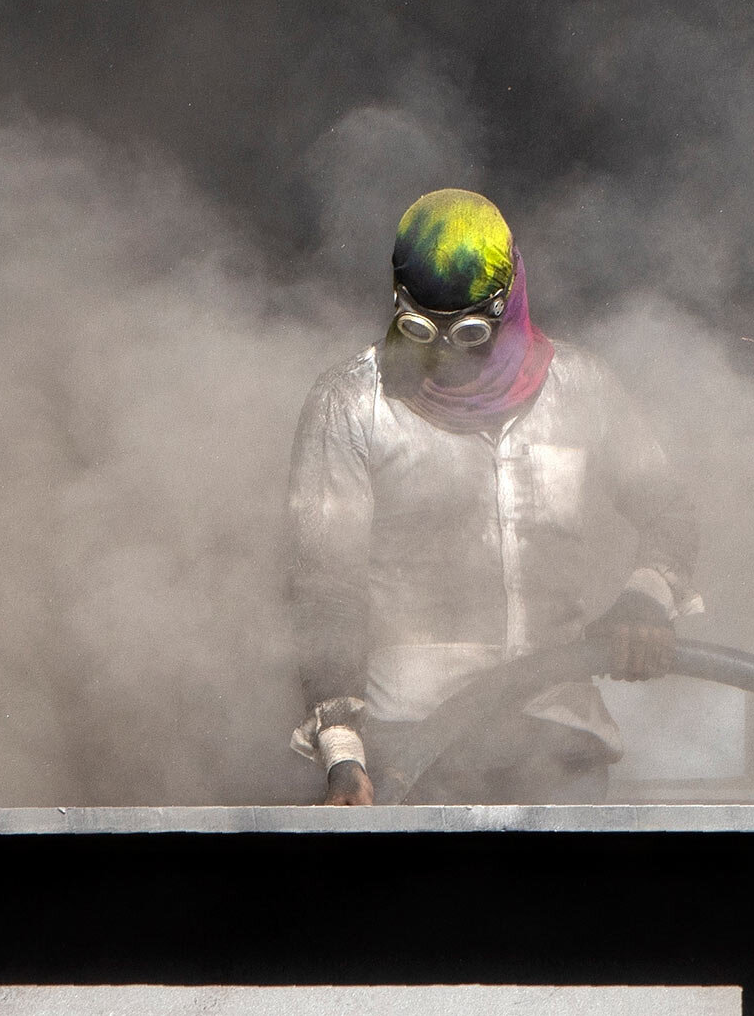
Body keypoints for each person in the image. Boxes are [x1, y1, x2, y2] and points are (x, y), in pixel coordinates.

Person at [287, 189, 699, 805]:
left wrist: (649, 594)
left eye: (472, 331)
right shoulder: (351, 403)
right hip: (411, 750)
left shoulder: (582, 389)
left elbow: (668, 508)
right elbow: (326, 586)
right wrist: (342, 754)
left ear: (509, 303)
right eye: (425, 329)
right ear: (401, 304)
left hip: (560, 741)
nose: (448, 353)